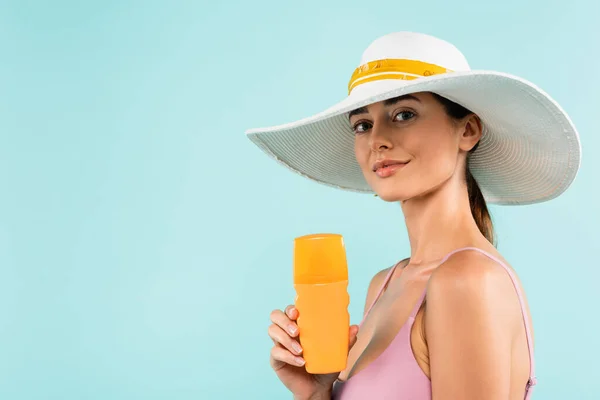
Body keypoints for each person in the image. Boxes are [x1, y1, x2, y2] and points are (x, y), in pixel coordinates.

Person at [246, 32, 581, 399]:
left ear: (467, 130)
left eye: (404, 114)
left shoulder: (467, 280)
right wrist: (314, 393)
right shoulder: (385, 285)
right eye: (362, 124)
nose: (377, 140)